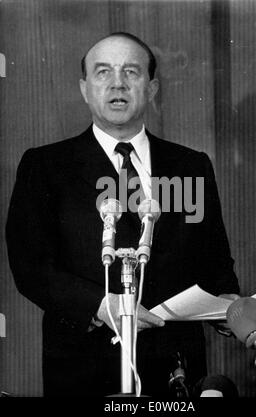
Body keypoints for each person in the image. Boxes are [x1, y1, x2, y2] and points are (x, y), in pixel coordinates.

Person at [6, 32, 240, 397]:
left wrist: (231, 310)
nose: (117, 83)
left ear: (152, 87)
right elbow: (31, 267)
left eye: (131, 72)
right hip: (83, 370)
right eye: (103, 72)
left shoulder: (191, 166)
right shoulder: (46, 167)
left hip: (175, 371)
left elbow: (215, 263)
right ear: (85, 88)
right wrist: (103, 305)